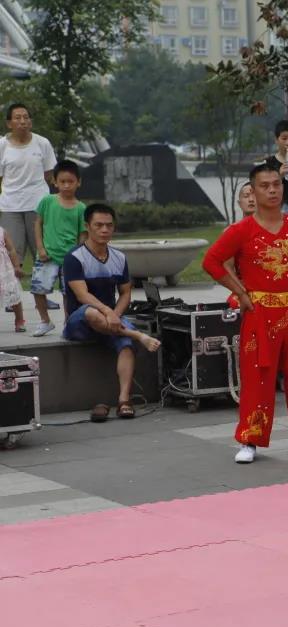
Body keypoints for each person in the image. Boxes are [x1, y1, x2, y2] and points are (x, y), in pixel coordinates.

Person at [202, 165, 288, 463]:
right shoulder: (241, 230)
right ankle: (249, 441)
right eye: (264, 186)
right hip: (258, 313)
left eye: (276, 184)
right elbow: (212, 261)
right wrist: (240, 292)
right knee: (257, 379)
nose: (272, 190)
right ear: (253, 191)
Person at [64, 204, 161, 421]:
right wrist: (109, 312)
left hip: (111, 320)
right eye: (98, 225)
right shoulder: (74, 257)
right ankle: (137, 334)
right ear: (87, 226)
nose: (104, 230)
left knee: (126, 347)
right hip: (80, 321)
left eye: (109, 225)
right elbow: (82, 296)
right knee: (92, 313)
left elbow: (125, 293)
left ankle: (124, 400)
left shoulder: (119, 257)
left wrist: (115, 314)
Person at [31, 159, 85, 336]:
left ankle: (68, 323)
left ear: (79, 182)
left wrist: (78, 256)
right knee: (38, 289)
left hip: (70, 259)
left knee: (69, 294)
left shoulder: (81, 208)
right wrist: (40, 248)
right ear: (54, 182)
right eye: (62, 181)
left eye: (71, 181)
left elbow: (82, 235)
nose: (66, 185)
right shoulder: (47, 201)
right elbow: (38, 223)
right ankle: (45, 320)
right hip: (47, 256)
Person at [0, 104, 57, 270]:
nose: (23, 121)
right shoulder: (2, 145)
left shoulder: (42, 143)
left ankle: (42, 292)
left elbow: (49, 175)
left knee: (42, 252)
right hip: (10, 207)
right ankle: (12, 294)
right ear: (9, 123)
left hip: (38, 205)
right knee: (11, 255)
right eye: (17, 118)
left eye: (26, 117)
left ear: (30, 122)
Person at [0, 224, 23, 331]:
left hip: (4, 270)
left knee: (13, 295)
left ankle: (19, 320)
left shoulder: (2, 231)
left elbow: (12, 249)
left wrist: (17, 266)